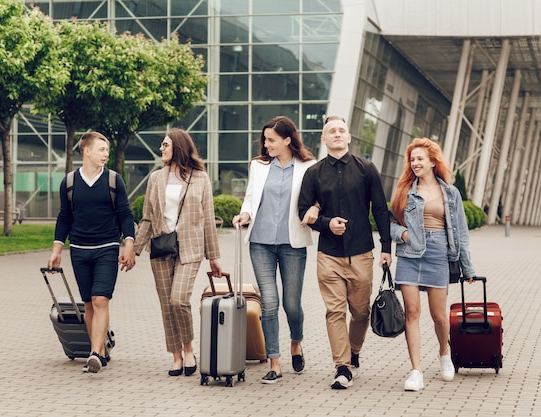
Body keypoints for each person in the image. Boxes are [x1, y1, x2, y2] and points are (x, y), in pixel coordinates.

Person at [298, 115, 391, 390]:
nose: (337, 134)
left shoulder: (367, 169)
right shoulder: (313, 173)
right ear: (324, 139)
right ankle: (342, 367)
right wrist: (327, 224)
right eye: (331, 131)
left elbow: (381, 209)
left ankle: (355, 352)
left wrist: (387, 247)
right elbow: (303, 212)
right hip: (328, 254)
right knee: (334, 312)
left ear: (349, 138)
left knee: (360, 312)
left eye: (342, 130)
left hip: (362, 252)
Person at [232, 116, 318, 384]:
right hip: (260, 242)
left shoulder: (309, 167)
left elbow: (317, 199)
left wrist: (316, 210)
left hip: (293, 243)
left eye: (272, 140)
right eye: (265, 139)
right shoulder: (258, 166)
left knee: (292, 305)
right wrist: (245, 215)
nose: (266, 144)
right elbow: (250, 197)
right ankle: (275, 362)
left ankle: (296, 342)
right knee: (269, 302)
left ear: (287, 140)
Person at [389, 137, 476, 392]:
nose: (415, 163)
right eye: (412, 159)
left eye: (420, 159)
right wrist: (401, 235)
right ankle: (416, 370)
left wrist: (467, 267)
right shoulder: (404, 190)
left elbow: (461, 232)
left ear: (432, 161)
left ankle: (444, 352)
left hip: (438, 253)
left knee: (438, 315)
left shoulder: (450, 192)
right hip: (409, 253)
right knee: (412, 312)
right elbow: (390, 222)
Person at [133, 128, 222, 377]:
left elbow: (207, 219)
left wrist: (213, 257)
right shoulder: (155, 179)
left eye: (165, 145)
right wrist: (134, 250)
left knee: (178, 300)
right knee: (166, 304)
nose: (161, 148)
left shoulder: (200, 178)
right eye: (161, 145)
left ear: (179, 147)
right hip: (161, 247)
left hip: (191, 248)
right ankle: (176, 356)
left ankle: (189, 349)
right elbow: (147, 219)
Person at [48, 131, 136, 374]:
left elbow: (125, 214)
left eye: (107, 150)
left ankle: (95, 353)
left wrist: (129, 243)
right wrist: (57, 250)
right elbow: (64, 217)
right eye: (101, 149)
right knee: (88, 303)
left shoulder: (113, 180)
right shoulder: (68, 183)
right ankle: (99, 349)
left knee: (100, 299)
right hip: (79, 249)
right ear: (86, 151)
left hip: (107, 248)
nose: (106, 154)